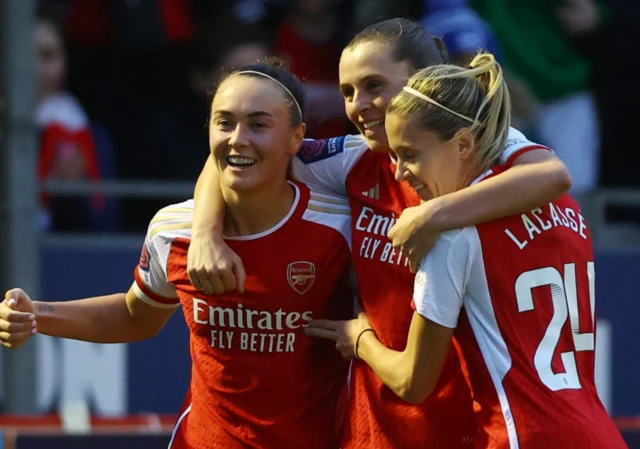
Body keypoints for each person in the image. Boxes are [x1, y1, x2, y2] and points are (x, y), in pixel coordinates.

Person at [186, 19, 573, 449]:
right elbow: (238, 157)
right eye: (348, 92)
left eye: (373, 85)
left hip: (470, 424)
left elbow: (553, 174)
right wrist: (206, 233)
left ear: (424, 82)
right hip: (375, 429)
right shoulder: (353, 159)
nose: (358, 105)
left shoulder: (474, 149)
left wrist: (432, 216)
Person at [0, 63, 354, 449]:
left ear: (296, 138)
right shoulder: (174, 228)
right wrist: (37, 314)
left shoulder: (339, 226)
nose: (238, 139)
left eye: (258, 124)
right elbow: (136, 316)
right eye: (224, 122)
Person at [307, 52, 628, 449]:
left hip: (519, 436)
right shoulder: (566, 209)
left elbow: (412, 381)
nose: (399, 172)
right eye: (393, 156)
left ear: (462, 143)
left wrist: (360, 339)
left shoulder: (448, 233)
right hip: (599, 434)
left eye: (410, 154)